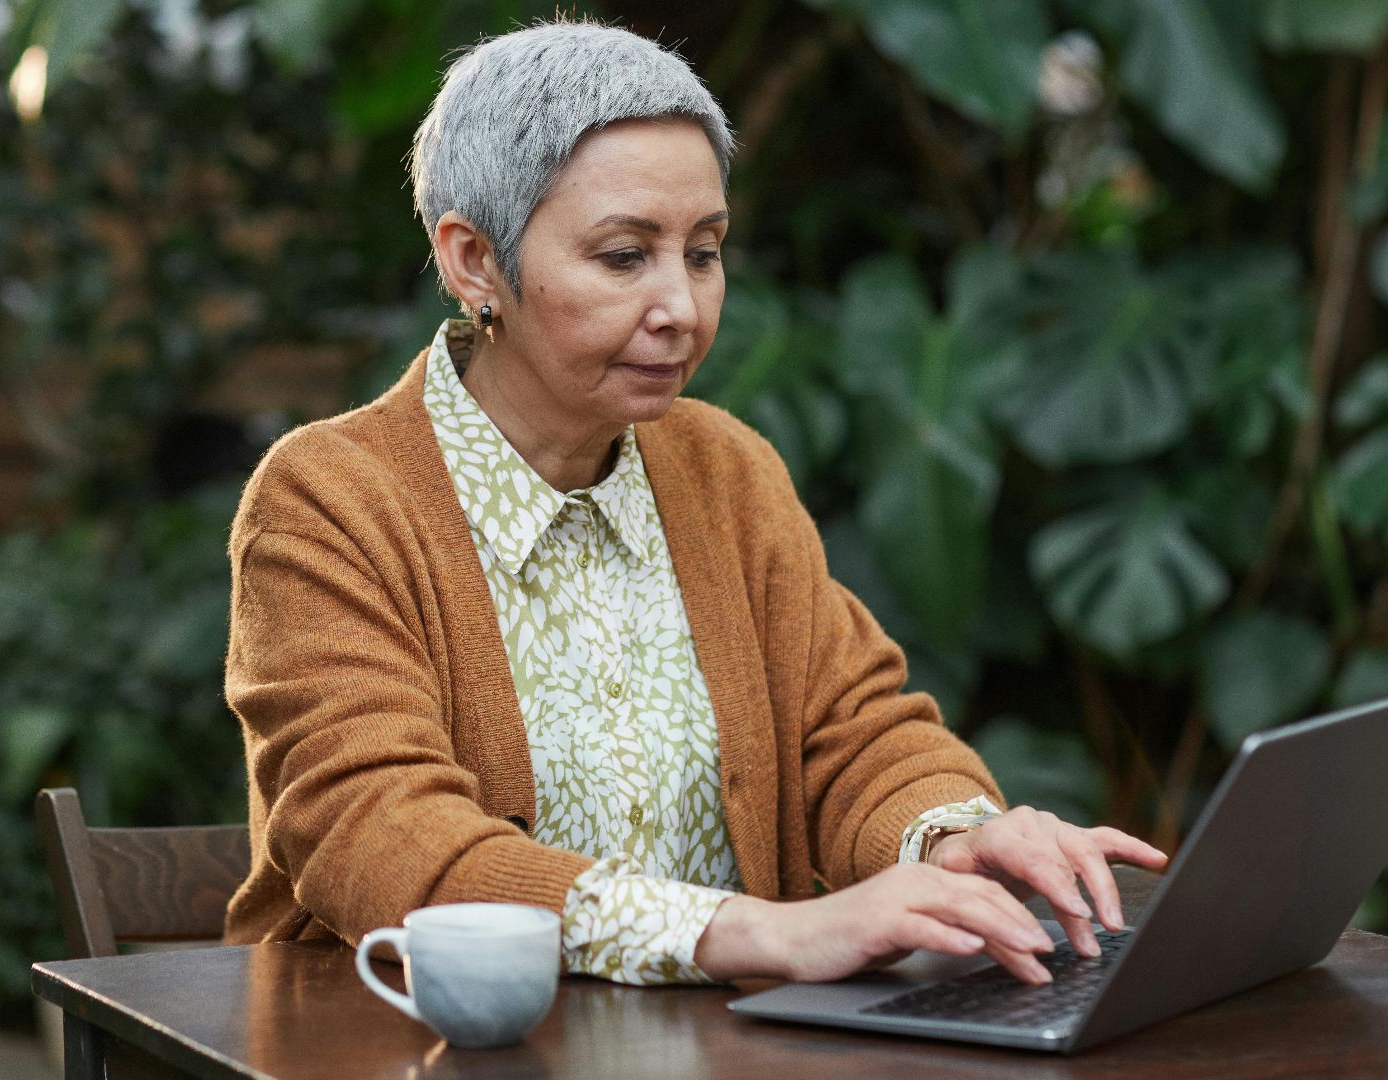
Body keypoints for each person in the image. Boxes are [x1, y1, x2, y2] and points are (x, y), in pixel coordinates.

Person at [221, 16, 1167, 987]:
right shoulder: (327, 502)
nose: (684, 307)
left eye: (704, 252)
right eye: (625, 256)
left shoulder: (724, 469)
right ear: (473, 262)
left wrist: (951, 841)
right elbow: (380, 838)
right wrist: (752, 934)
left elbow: (856, 735)